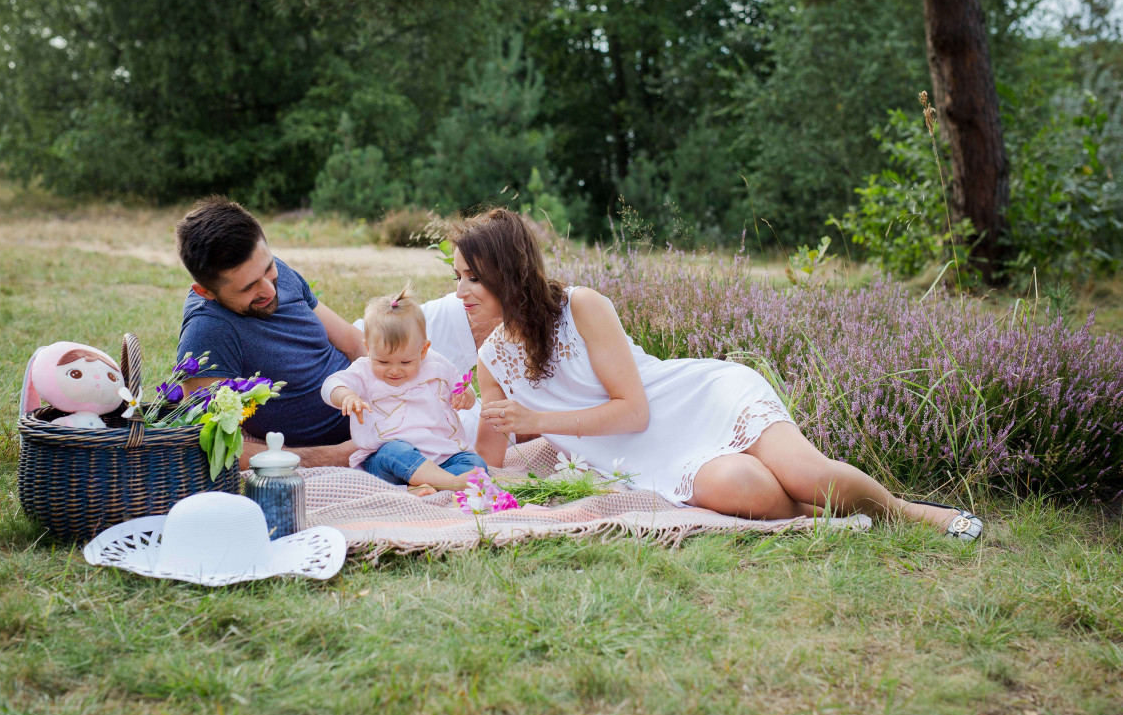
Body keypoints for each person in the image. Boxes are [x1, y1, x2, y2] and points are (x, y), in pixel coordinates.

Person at [456, 208, 983, 540]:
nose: (460, 292)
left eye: (474, 278)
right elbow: (489, 459)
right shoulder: (493, 360)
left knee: (808, 475)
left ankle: (907, 513)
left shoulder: (582, 307)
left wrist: (540, 417)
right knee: (746, 489)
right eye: (458, 276)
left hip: (698, 399)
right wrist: (442, 472)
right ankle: (832, 515)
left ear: (510, 274)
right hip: (650, 459)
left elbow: (633, 412)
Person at [175, 195, 366, 468]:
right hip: (338, 445)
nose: (269, 289)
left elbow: (353, 343)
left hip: (373, 405)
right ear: (206, 292)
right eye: (248, 287)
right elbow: (216, 444)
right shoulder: (207, 332)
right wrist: (334, 456)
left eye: (269, 269)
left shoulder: (273, 272)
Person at [321, 287, 485, 495]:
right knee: (395, 453)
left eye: (406, 362)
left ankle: (420, 486)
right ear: (369, 349)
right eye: (383, 361)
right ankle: (449, 483)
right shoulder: (364, 371)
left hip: (442, 454)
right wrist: (346, 396)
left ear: (423, 349)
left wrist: (466, 395)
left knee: (476, 464)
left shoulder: (436, 364)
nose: (394, 370)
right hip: (389, 459)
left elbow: (461, 383)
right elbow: (331, 385)